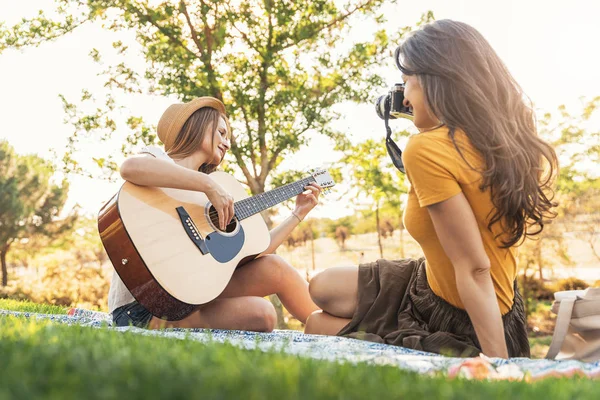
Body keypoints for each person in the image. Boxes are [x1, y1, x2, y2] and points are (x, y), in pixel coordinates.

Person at [304, 20, 558, 358]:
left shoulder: (426, 149)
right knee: (321, 287)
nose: (403, 96)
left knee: (318, 326)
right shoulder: (508, 141)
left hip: (466, 322)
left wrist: (499, 367)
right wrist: (432, 117)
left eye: (407, 81)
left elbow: (475, 268)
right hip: (439, 287)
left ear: (435, 80)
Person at [109, 97, 322, 331]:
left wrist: (298, 213)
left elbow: (255, 252)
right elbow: (129, 168)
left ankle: (338, 330)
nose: (227, 143)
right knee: (262, 314)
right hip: (144, 306)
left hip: (191, 293)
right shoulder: (159, 160)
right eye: (222, 133)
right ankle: (162, 325)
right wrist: (208, 186)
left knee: (275, 268)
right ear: (197, 125)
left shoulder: (218, 191)